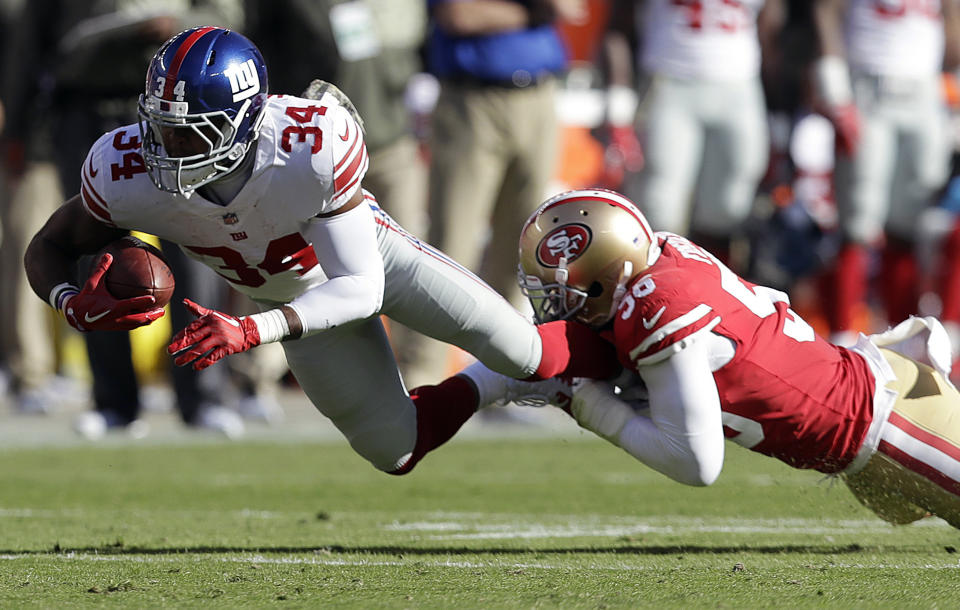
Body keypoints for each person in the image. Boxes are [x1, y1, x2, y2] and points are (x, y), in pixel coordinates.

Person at [24, 27, 617, 474]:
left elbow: (362, 289)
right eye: (161, 126)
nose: (169, 147)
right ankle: (484, 388)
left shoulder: (308, 144)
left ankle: (635, 346)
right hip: (286, 298)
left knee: (529, 354)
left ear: (247, 119)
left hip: (373, 262)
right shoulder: (123, 168)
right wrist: (70, 301)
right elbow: (49, 246)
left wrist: (253, 332)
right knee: (395, 451)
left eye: (191, 131)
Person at [512, 188, 960, 527]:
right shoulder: (661, 264)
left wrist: (592, 409)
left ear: (609, 271)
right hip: (861, 437)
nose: (554, 305)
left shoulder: (655, 308)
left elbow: (695, 461)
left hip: (886, 420)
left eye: (561, 290)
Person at [813, 0, 960, 344]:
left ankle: (902, 337)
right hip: (869, 84)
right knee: (858, 219)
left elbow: (952, 24)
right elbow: (826, 10)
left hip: (925, 90)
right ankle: (842, 335)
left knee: (910, 221)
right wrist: (834, 86)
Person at [603, 0, 784, 266]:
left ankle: (714, 292)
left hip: (741, 86)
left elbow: (771, 30)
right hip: (668, 82)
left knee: (729, 205)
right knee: (660, 204)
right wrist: (618, 104)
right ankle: (654, 294)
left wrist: (779, 107)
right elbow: (618, 26)